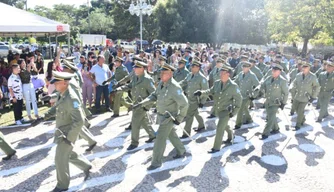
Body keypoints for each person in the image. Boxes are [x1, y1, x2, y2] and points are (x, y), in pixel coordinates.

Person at [41, 71, 92, 192]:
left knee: (60, 158)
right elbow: (57, 107)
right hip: (62, 132)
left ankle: (62, 185)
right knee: (67, 154)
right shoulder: (62, 94)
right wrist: (44, 116)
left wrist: (69, 138)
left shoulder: (71, 98)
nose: (54, 85)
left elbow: (79, 121)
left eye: (56, 83)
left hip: (67, 134)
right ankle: (86, 166)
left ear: (64, 83)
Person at [134, 63, 188, 170]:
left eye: (164, 73)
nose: (161, 74)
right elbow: (154, 95)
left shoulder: (174, 87)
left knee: (159, 139)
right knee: (171, 134)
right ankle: (181, 150)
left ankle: (156, 162)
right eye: (161, 72)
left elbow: (185, 104)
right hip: (161, 115)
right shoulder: (162, 84)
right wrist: (142, 103)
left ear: (170, 74)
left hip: (169, 118)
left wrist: (179, 118)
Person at [195, 64, 242, 153]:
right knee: (225, 125)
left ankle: (216, 147)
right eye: (220, 72)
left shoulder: (233, 86)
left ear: (228, 74)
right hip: (218, 109)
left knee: (220, 127)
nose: (220, 74)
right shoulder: (217, 83)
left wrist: (234, 112)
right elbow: (210, 91)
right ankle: (231, 135)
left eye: (223, 73)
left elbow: (239, 100)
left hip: (226, 111)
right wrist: (201, 92)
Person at [114, 61, 156, 150]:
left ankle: (134, 142)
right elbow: (129, 86)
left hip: (142, 106)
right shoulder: (135, 77)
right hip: (135, 104)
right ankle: (152, 135)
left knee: (135, 123)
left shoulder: (147, 80)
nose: (134, 69)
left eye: (136, 68)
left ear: (142, 69)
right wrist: (119, 89)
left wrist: (146, 107)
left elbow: (154, 95)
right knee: (144, 121)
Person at [254, 64, 289, 139]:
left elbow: (286, 93)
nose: (273, 72)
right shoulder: (269, 78)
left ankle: (265, 133)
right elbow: (262, 85)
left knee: (270, 118)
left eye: (275, 71)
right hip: (268, 101)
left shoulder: (282, 81)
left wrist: (283, 103)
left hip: (275, 103)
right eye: (272, 70)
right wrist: (258, 88)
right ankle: (276, 129)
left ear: (279, 72)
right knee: (271, 117)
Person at [179, 60, 209, 138]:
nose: (191, 68)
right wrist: (176, 85)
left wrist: (202, 102)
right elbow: (184, 82)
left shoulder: (202, 78)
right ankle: (201, 125)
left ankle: (186, 133)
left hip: (196, 100)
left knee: (189, 116)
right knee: (195, 113)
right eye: (191, 66)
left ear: (198, 68)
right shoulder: (190, 75)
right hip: (188, 98)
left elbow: (205, 90)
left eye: (193, 67)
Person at [290, 62, 320, 130]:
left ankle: (298, 125)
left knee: (300, 111)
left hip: (305, 97)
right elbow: (294, 82)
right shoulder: (298, 75)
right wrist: (291, 88)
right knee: (297, 110)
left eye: (305, 68)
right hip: (297, 96)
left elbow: (317, 87)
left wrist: (313, 96)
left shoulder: (313, 76)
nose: (303, 69)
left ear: (309, 69)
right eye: (303, 67)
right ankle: (302, 119)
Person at [234, 62, 260, 129]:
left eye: (246, 67)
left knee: (240, 108)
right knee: (245, 108)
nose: (244, 68)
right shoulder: (240, 74)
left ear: (249, 68)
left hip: (247, 96)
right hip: (240, 94)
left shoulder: (252, 75)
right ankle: (249, 119)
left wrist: (254, 96)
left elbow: (258, 86)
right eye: (243, 67)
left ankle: (238, 124)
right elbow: (235, 81)